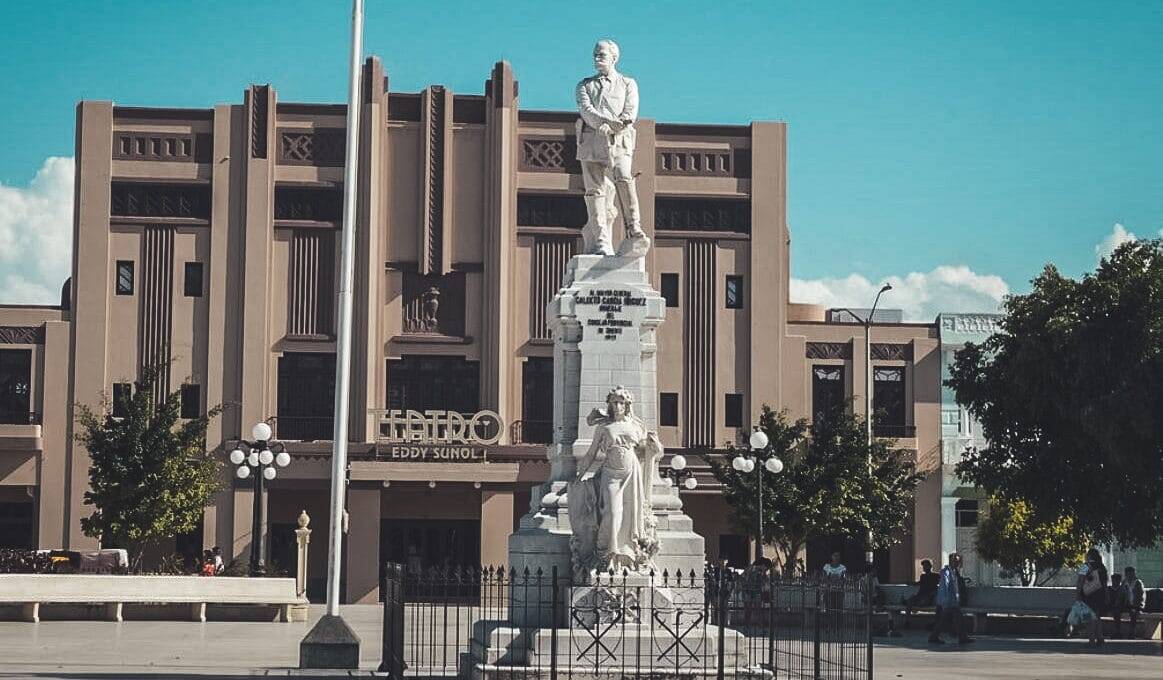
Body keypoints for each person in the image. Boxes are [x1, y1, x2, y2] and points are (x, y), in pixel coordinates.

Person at [575, 39, 649, 258]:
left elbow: (630, 113)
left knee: (624, 177)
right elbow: (586, 110)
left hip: (620, 140)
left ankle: (634, 228)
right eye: (595, 54)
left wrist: (614, 125)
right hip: (592, 140)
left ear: (614, 58)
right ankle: (601, 241)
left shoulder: (628, 83)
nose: (597, 58)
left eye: (602, 55)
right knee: (595, 191)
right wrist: (603, 123)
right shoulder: (584, 85)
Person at [929, 552, 974, 645]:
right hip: (947, 601)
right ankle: (962, 637)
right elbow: (944, 587)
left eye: (958, 561)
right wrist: (944, 602)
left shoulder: (954, 572)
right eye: (955, 561)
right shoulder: (946, 572)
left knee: (946, 619)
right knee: (955, 618)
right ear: (950, 561)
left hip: (952, 601)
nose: (956, 563)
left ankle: (935, 636)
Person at [1076, 548, 1109, 646]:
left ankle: (1091, 640)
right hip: (1100, 594)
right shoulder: (1102, 567)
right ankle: (1100, 637)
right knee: (1097, 616)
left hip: (1088, 594)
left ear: (1089, 556)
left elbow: (1080, 581)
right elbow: (1105, 583)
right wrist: (1106, 595)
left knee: (1090, 618)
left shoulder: (1085, 566)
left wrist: (1078, 594)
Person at [903, 559, 940, 627]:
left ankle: (909, 602)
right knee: (910, 602)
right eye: (924, 566)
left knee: (921, 602)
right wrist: (911, 583)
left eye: (926, 566)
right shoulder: (923, 576)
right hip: (920, 596)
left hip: (928, 597)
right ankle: (907, 621)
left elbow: (940, 586)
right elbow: (919, 583)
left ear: (930, 566)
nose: (924, 568)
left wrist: (933, 594)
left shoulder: (936, 576)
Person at [1113, 566, 1146, 639]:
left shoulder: (1138, 583)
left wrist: (1137, 606)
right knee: (1116, 612)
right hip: (1127, 604)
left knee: (1133, 613)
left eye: (1131, 573)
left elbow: (1141, 596)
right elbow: (1120, 595)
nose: (1130, 575)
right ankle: (1118, 632)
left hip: (1136, 605)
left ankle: (1132, 633)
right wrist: (1117, 604)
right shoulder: (1124, 582)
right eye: (1128, 574)